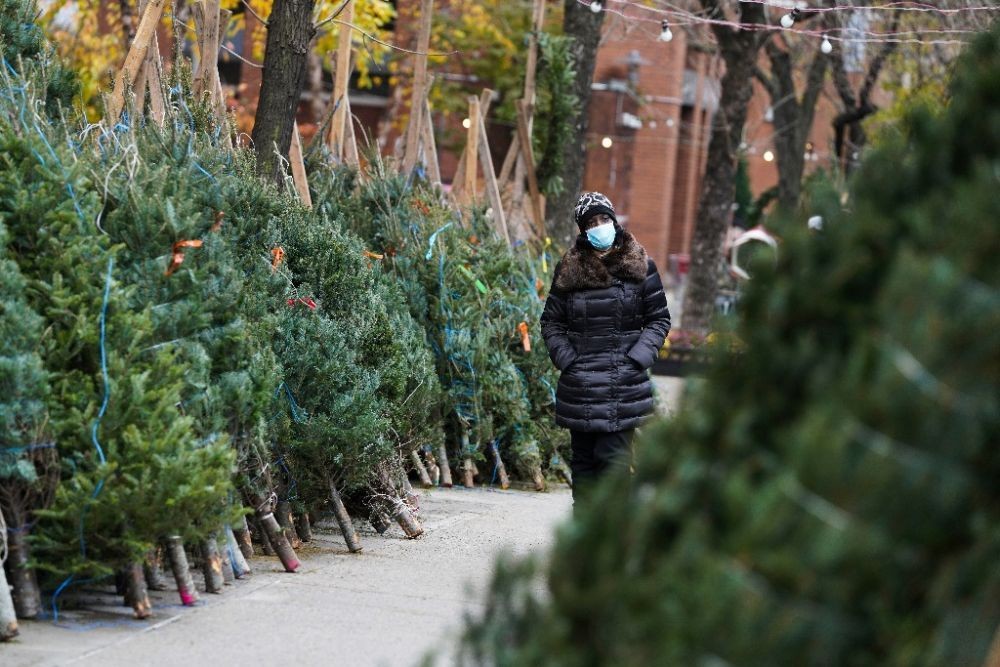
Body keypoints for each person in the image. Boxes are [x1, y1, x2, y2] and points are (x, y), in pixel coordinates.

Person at [540, 192, 671, 506]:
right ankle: (583, 535)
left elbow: (659, 319)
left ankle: (612, 534)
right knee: (584, 471)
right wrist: (567, 360)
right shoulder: (569, 269)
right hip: (580, 386)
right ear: (583, 230)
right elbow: (551, 322)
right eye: (591, 223)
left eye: (603, 219)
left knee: (614, 470)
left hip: (622, 386)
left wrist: (637, 358)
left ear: (614, 220)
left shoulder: (640, 266)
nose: (599, 226)